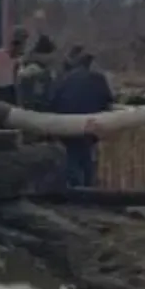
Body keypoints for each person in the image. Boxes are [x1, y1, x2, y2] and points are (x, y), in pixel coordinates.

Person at [47, 51, 114, 188]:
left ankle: (76, 188)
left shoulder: (63, 78)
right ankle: (88, 188)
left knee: (72, 157)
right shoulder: (98, 79)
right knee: (87, 158)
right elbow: (108, 101)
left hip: (67, 125)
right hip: (91, 124)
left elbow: (52, 101)